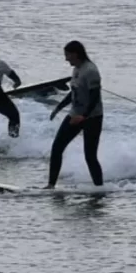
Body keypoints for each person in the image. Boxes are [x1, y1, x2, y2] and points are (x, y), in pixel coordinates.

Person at [47, 40, 104, 189]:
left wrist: (84, 116)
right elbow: (74, 92)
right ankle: (50, 185)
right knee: (57, 147)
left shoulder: (91, 70)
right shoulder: (76, 69)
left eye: (67, 55)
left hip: (92, 117)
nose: (66, 59)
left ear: (75, 54)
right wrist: (58, 108)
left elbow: (95, 96)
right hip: (75, 114)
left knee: (90, 156)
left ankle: (99, 188)